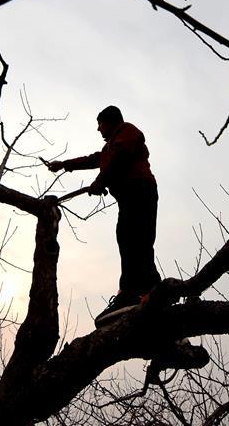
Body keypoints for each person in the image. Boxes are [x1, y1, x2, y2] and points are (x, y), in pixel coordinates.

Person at [48, 105, 161, 327]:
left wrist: (101, 180)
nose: (98, 129)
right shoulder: (109, 148)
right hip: (129, 196)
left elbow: (120, 157)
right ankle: (149, 290)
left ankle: (133, 292)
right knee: (129, 239)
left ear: (110, 122)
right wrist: (65, 165)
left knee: (135, 239)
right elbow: (94, 159)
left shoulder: (127, 132)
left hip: (140, 190)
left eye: (100, 124)